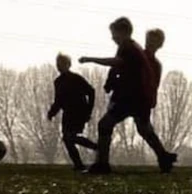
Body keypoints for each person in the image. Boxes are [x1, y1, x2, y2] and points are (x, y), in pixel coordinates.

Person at [79, 17, 178, 174]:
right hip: (135, 98)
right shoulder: (133, 49)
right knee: (144, 130)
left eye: (114, 34)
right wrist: (110, 82)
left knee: (106, 125)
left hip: (132, 97)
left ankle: (102, 165)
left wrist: (91, 59)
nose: (113, 38)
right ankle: (164, 157)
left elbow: (117, 63)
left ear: (123, 33)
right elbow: (119, 67)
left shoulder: (130, 48)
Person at [47, 53, 98, 171]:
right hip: (67, 113)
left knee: (70, 137)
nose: (59, 66)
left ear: (68, 65)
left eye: (62, 64)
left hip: (79, 111)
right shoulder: (58, 82)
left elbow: (91, 91)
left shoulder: (76, 78)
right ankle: (79, 164)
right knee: (67, 139)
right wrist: (52, 112)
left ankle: (96, 147)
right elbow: (58, 100)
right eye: (58, 64)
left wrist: (89, 110)